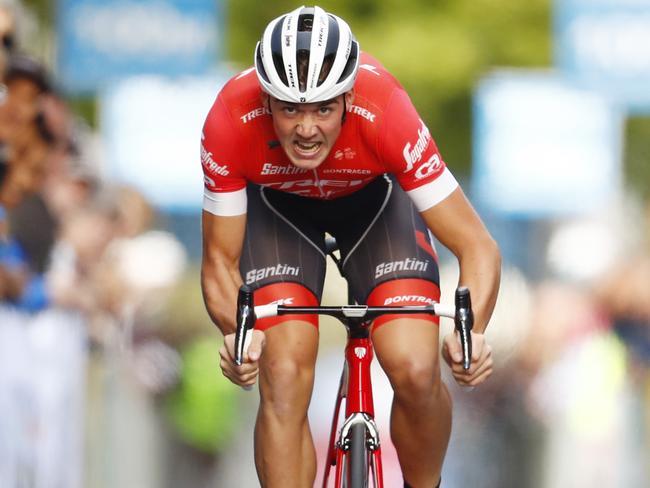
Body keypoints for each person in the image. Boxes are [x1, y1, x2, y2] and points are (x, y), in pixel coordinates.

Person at [200, 6, 501, 488]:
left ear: (349, 96)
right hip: (279, 212)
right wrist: (240, 336)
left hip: (374, 206)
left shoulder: (386, 110)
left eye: (323, 108)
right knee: (282, 368)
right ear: (266, 100)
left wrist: (472, 335)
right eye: (289, 109)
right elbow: (219, 261)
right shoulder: (230, 119)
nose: (306, 129)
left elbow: (477, 245)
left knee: (414, 365)